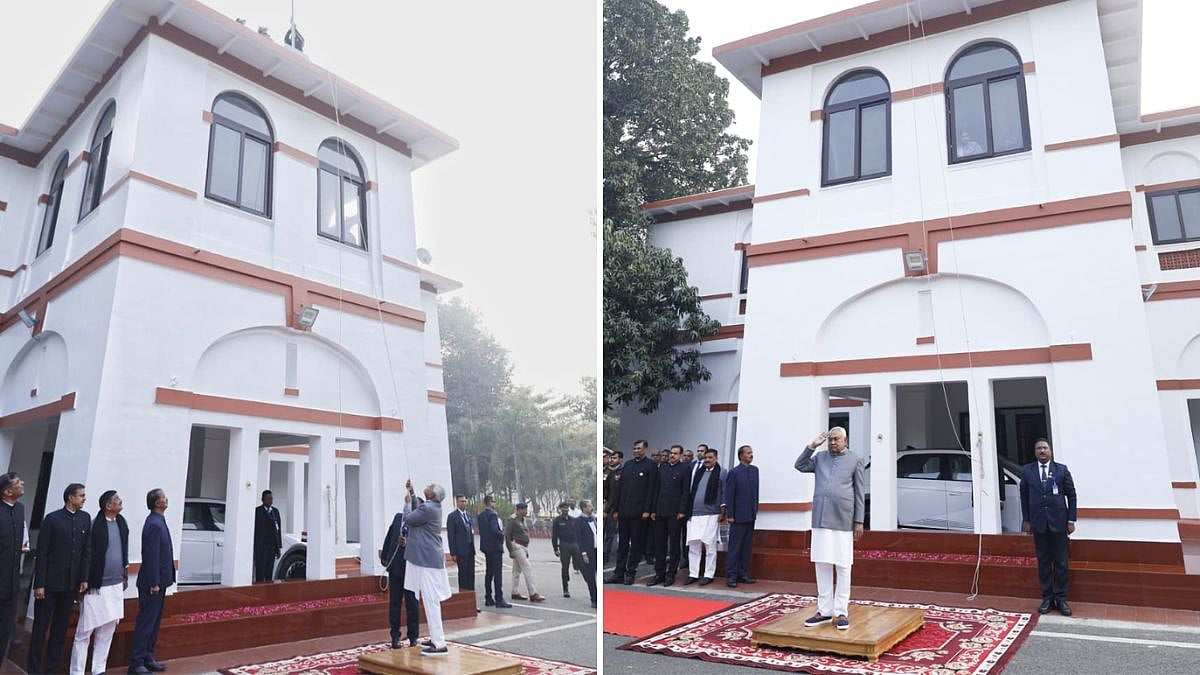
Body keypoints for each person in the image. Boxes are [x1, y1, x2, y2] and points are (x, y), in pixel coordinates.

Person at [796, 428, 865, 630]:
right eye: (830, 440)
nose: (833, 443)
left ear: (845, 440)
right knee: (822, 564)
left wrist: (859, 521)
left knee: (843, 566)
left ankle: (841, 611)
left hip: (843, 519)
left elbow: (860, 492)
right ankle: (824, 611)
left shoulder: (855, 459)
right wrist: (812, 446)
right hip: (821, 518)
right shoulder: (820, 458)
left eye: (836, 439)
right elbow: (799, 465)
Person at [29, 483, 91, 675]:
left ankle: (52, 669)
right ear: (70, 497)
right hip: (48, 585)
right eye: (81, 496)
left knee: (60, 629)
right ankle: (33, 669)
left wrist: (84, 578)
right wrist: (39, 584)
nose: (83, 499)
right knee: (40, 629)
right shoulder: (52, 519)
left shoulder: (85, 518)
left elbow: (86, 551)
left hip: (70, 585)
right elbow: (43, 553)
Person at [71, 490, 129, 675]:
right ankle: (77, 671)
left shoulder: (121, 523)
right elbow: (87, 555)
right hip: (96, 586)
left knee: (108, 629)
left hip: (115, 585)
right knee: (85, 631)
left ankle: (98, 669)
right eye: (117, 500)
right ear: (108, 506)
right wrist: (84, 579)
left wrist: (125, 574)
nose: (121, 502)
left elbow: (124, 551)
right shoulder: (96, 525)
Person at [1020, 438, 1077, 616]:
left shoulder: (1061, 470)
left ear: (1050, 451)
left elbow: (1072, 495)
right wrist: (1026, 520)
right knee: (1044, 562)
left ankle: (1061, 599)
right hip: (1038, 523)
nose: (1042, 451)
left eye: (1045, 448)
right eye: (1039, 448)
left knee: (1061, 562)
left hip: (1059, 523)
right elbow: (1024, 497)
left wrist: (1071, 520)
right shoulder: (1027, 471)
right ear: (1035, 452)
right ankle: (1047, 597)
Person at [403, 479, 452, 656]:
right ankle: (436, 637)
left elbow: (409, 518)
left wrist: (407, 503)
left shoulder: (428, 509)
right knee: (429, 600)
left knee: (431, 601)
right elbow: (420, 510)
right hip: (426, 559)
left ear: (433, 495)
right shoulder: (431, 507)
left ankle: (439, 644)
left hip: (426, 560)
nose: (428, 486)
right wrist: (413, 494)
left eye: (430, 487)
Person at [130, 488, 174, 674]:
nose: (166, 498)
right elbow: (151, 556)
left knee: (154, 622)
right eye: (163, 497)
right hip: (152, 583)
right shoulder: (154, 524)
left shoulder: (159, 521)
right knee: (146, 622)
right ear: (157, 503)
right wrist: (154, 582)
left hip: (160, 581)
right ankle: (136, 662)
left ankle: (148, 656)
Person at [606, 440, 656, 585]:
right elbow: (619, 489)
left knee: (635, 544)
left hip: (639, 513)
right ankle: (618, 572)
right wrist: (616, 509)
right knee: (622, 544)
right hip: (624, 512)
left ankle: (631, 572)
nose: (636, 451)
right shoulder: (628, 465)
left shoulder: (650, 465)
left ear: (645, 449)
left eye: (639, 448)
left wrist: (647, 510)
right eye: (634, 448)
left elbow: (651, 489)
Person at [648, 445, 689, 587]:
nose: (672, 456)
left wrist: (682, 510)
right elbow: (656, 489)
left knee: (674, 545)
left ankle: (671, 574)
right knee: (659, 544)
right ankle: (659, 573)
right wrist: (653, 509)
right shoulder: (663, 467)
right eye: (671, 453)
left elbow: (685, 491)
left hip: (675, 513)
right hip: (660, 511)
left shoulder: (685, 468)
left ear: (681, 455)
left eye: (676, 454)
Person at [379, 505, 419, 648]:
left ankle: (413, 636)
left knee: (412, 604)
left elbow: (422, 543)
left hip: (411, 568)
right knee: (394, 604)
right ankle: (395, 636)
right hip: (395, 567)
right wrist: (384, 556)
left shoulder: (419, 523)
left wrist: (407, 543)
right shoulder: (397, 518)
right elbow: (389, 536)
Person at [683, 448, 724, 586]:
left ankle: (708, 574)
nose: (707, 460)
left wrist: (723, 511)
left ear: (716, 458)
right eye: (706, 457)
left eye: (710, 457)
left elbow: (724, 492)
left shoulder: (722, 472)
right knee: (694, 545)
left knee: (709, 545)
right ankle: (693, 573)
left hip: (712, 514)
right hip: (694, 513)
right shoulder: (699, 472)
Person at [725, 444, 760, 588]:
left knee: (746, 547)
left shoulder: (754, 470)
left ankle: (743, 573)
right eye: (748, 453)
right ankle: (731, 575)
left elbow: (755, 492)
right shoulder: (734, 472)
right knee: (735, 547)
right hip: (737, 516)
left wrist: (755, 509)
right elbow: (729, 495)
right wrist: (730, 514)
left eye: (752, 452)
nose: (751, 455)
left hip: (750, 515)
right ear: (741, 456)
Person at [0, 473, 26, 665]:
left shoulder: (20, 509)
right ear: (8, 491)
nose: (22, 484)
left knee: (5, 628)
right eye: (18, 483)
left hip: (12, 582)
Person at [504, 503, 545, 602]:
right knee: (527, 567)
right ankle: (533, 593)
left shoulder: (523, 520)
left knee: (516, 571)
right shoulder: (513, 520)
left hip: (523, 547)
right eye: (525, 510)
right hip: (516, 546)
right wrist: (510, 550)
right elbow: (507, 536)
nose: (526, 511)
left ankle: (514, 592)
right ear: (519, 510)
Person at [477, 496, 512, 608]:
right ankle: (499, 598)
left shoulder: (481, 515)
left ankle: (488, 597)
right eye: (493, 501)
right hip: (495, 547)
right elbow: (494, 529)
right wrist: (502, 534)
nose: (495, 503)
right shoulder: (492, 514)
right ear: (490, 503)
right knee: (497, 574)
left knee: (489, 573)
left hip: (486, 547)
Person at [551, 501, 584, 598]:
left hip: (575, 544)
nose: (565, 509)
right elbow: (554, 536)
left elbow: (579, 533)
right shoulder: (557, 521)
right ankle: (565, 588)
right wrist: (555, 548)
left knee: (581, 565)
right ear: (560, 509)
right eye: (563, 508)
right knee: (565, 567)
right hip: (564, 545)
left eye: (567, 508)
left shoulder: (573, 520)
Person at [446, 494, 476, 599]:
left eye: (465, 501)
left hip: (470, 549)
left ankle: (472, 600)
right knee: (463, 576)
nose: (464, 503)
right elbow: (451, 536)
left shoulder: (468, 515)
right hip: (460, 551)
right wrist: (453, 553)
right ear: (457, 503)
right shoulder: (452, 517)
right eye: (461, 501)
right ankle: (464, 597)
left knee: (471, 575)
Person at [253, 490, 282, 583]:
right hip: (261, 547)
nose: (270, 500)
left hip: (272, 547)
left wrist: (279, 547)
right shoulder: (257, 511)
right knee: (260, 572)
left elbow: (278, 529)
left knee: (269, 573)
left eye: (271, 498)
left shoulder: (275, 511)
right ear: (262, 500)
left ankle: (268, 593)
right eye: (268, 498)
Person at [574, 500, 599, 609]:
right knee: (591, 576)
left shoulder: (593, 518)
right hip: (588, 551)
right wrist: (583, 553)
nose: (591, 508)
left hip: (596, 549)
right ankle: (594, 599)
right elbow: (579, 539)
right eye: (589, 506)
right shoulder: (579, 521)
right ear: (584, 508)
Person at [602, 451, 617, 557]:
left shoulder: (611, 471)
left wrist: (606, 509)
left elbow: (613, 492)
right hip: (602, 504)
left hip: (609, 505)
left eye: (605, 457)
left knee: (609, 531)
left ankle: (605, 553)